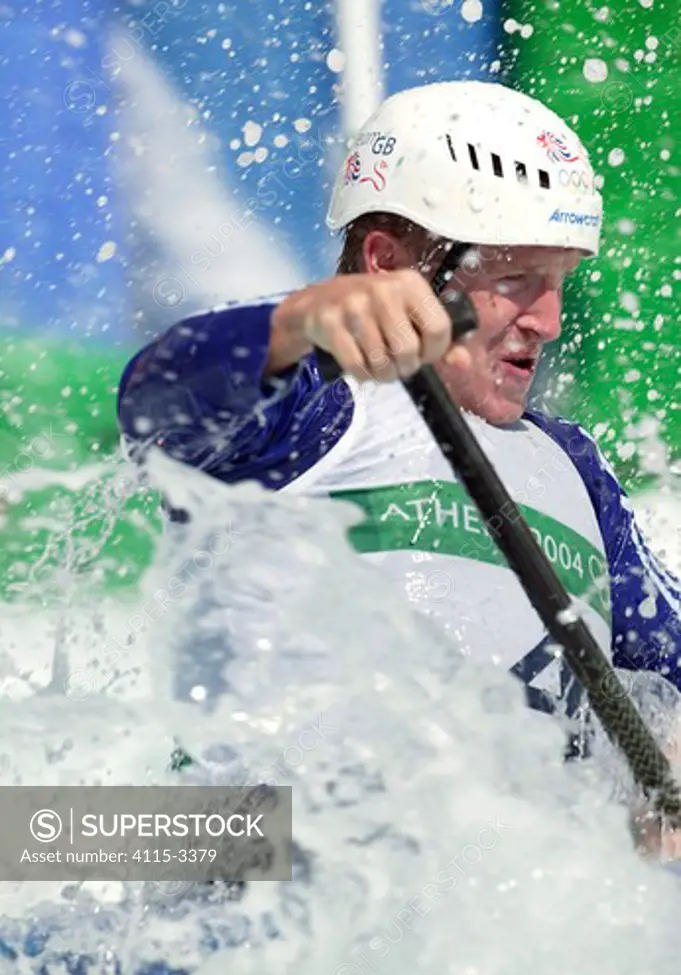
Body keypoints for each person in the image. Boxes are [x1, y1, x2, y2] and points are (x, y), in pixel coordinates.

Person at [117, 79, 681, 767]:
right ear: (387, 264)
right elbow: (154, 401)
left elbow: (667, 666)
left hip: (516, 867)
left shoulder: (573, 466)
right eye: (513, 280)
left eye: (558, 280)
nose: (548, 321)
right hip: (263, 859)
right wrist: (297, 323)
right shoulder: (306, 405)